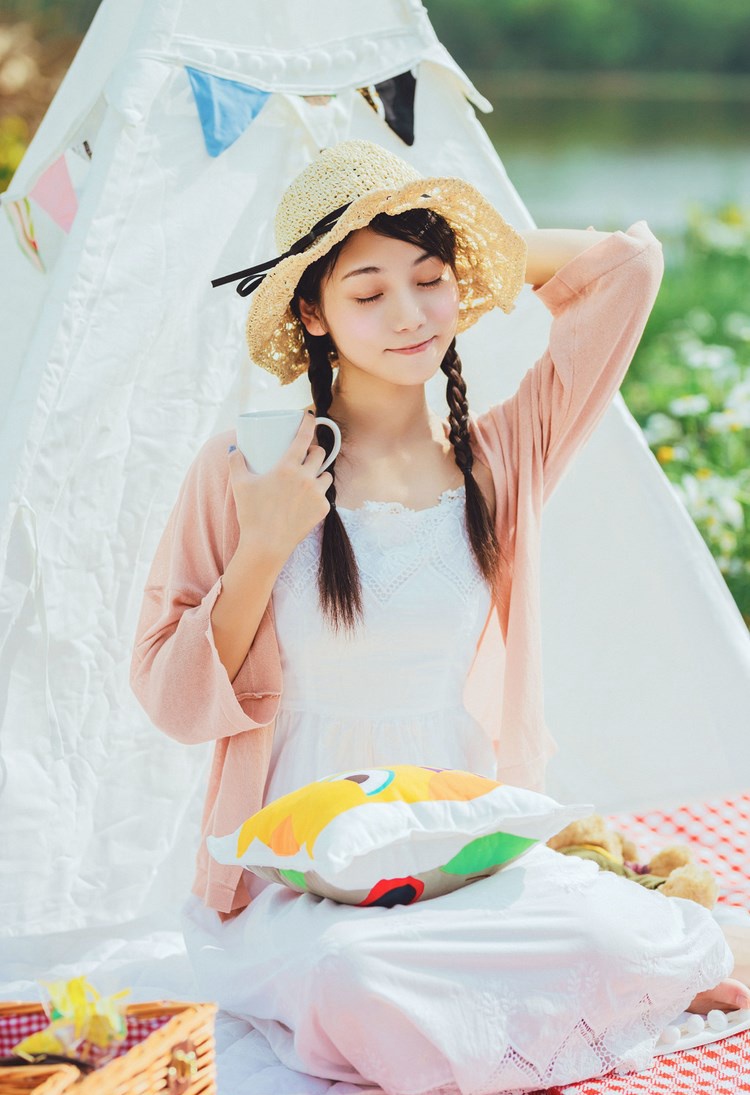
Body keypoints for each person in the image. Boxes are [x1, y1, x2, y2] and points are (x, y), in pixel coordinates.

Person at [130, 139, 749, 1093]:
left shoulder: (503, 460)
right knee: (354, 975)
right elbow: (170, 698)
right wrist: (262, 549)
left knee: (604, 926)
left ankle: (638, 961)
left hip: (463, 861)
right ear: (313, 312)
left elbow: (628, 269)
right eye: (367, 291)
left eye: (430, 281)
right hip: (299, 883)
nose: (410, 315)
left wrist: (475, 246)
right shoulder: (242, 470)